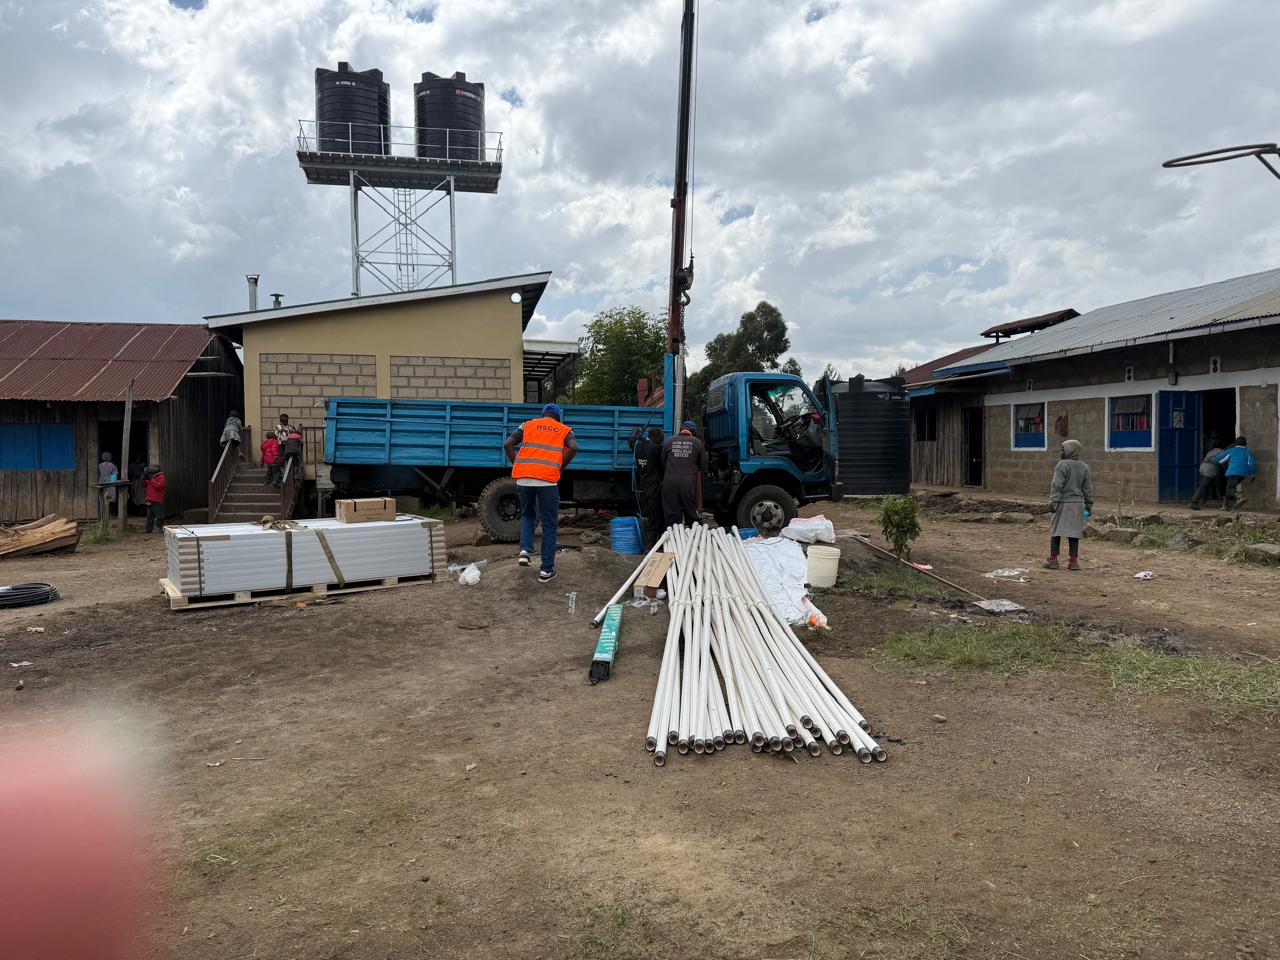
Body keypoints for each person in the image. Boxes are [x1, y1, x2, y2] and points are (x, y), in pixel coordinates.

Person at [503, 403, 577, 583]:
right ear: (557, 417)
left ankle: (525, 551)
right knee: (549, 524)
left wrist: (518, 464)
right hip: (547, 481)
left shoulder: (527, 425)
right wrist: (559, 468)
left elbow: (507, 444)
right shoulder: (564, 429)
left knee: (528, 515)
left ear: (543, 415)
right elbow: (574, 448)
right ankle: (546, 570)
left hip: (524, 479)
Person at [1044, 438, 1093, 571]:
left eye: (1062, 449)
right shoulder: (1084, 466)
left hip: (1062, 503)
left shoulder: (1062, 465)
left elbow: (1056, 486)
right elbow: (1088, 488)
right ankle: (1073, 561)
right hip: (1078, 505)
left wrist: (1053, 502)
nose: (1060, 452)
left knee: (1056, 531)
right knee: (1074, 533)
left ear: (1070, 451)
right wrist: (1089, 505)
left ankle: (1053, 560)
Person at [661, 420, 707, 528]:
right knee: (690, 510)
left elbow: (663, 461)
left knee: (671, 511)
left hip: (670, 481)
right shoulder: (697, 443)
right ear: (694, 432)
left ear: (681, 429)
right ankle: (691, 536)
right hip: (688, 482)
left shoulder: (669, 441)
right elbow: (702, 465)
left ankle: (671, 537)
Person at [629, 425, 666, 546]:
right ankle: (652, 545)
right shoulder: (657, 449)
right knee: (655, 517)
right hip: (656, 488)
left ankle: (651, 543)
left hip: (644, 486)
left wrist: (636, 434)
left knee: (649, 515)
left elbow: (631, 442)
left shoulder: (638, 447)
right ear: (658, 438)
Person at [1216, 436, 1257, 510]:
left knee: (1230, 488)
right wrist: (1253, 474)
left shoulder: (1231, 450)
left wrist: (1212, 460)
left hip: (1233, 472)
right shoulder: (1248, 451)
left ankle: (1239, 497)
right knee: (1230, 487)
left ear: (1235, 443)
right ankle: (1225, 505)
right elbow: (1252, 464)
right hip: (1243, 474)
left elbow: (1220, 459)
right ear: (1245, 444)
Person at [1190, 434, 1225, 510]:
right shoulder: (1222, 451)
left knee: (1205, 485)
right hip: (1210, 468)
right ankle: (1194, 501)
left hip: (1203, 466)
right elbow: (1223, 462)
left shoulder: (1211, 451)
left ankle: (1203, 499)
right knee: (1203, 485)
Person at [142, 465, 166, 534]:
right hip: (150, 499)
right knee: (150, 516)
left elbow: (158, 486)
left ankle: (160, 528)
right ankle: (148, 530)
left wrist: (151, 479)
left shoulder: (161, 477)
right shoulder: (151, 477)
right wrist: (143, 478)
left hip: (157, 499)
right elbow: (144, 485)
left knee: (159, 516)